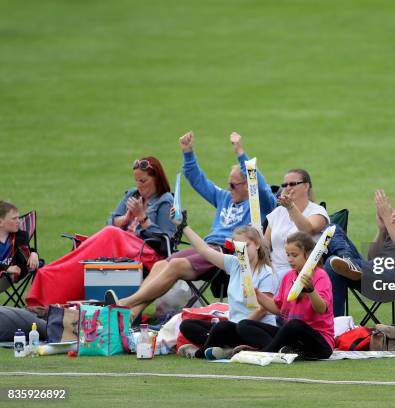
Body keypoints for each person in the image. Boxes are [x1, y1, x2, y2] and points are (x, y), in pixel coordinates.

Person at [114, 131, 276, 320]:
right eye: (228, 184)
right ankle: (132, 314)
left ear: (247, 185)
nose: (228, 189)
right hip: (207, 248)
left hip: (228, 255)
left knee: (175, 265)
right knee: (160, 265)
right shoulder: (225, 198)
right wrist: (187, 152)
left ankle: (125, 303)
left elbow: (260, 185)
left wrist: (240, 153)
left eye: (233, 185)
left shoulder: (259, 203)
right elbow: (198, 180)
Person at [26, 157, 175, 307]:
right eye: (136, 181)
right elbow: (111, 221)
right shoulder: (133, 194)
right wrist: (126, 218)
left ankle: (52, 290)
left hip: (147, 254)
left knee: (111, 234)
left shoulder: (165, 200)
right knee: (99, 240)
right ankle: (50, 278)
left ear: (157, 179)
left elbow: (163, 241)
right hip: (121, 249)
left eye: (143, 181)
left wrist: (142, 217)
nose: (139, 186)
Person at [120, 220, 277, 359]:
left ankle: (203, 352)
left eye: (245, 246)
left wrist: (239, 325)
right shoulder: (234, 264)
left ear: (257, 244)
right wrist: (183, 226)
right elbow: (204, 250)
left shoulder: (266, 273)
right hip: (233, 327)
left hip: (253, 327)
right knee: (187, 325)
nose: (240, 251)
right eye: (238, 247)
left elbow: (263, 310)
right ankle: (226, 349)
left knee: (225, 327)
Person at [326, 176, 395, 316]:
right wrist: (381, 230)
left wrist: (387, 220)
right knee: (332, 231)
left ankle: (348, 262)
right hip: (373, 272)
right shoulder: (394, 218)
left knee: (332, 263)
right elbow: (372, 257)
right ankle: (336, 328)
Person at [235, 232, 334, 360]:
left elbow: (321, 309)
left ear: (309, 255)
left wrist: (311, 291)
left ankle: (265, 352)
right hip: (291, 337)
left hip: (319, 342)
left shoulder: (320, 276)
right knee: (244, 325)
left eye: (294, 255)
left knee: (294, 325)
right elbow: (279, 309)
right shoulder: (288, 276)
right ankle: (275, 350)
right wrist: (257, 294)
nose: (290, 259)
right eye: (288, 255)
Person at [265, 169, 329, 278]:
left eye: (292, 184)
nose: (288, 188)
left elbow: (307, 230)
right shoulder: (277, 213)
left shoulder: (318, 211)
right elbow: (265, 246)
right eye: (285, 185)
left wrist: (290, 207)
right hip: (273, 270)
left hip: (301, 273)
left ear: (306, 186)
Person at [0, 201, 39, 295]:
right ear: (0, 222)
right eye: (14, 218)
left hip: (6, 279)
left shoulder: (19, 237)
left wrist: (34, 254)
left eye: (18, 217)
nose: (19, 221)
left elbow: (25, 255)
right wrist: (6, 268)